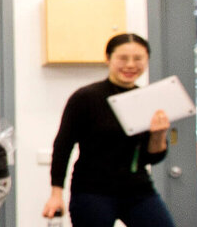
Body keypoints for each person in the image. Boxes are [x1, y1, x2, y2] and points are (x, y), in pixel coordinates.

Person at [41, 33, 175, 226]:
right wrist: (56, 194)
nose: (130, 65)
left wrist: (159, 134)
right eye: (122, 58)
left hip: (138, 189)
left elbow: (152, 157)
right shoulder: (85, 97)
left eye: (138, 59)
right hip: (91, 190)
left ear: (147, 61)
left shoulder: (147, 99)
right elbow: (63, 146)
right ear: (108, 59)